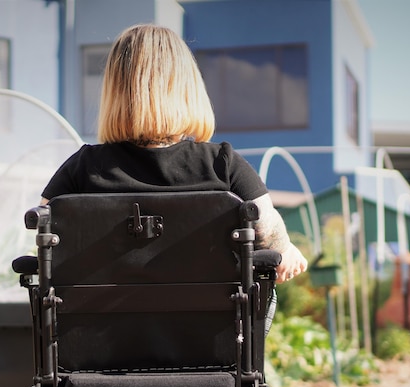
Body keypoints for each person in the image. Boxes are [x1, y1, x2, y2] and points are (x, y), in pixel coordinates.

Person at [41, 23, 307, 283]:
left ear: (115, 92)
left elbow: (45, 231)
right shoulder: (222, 165)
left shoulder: (83, 167)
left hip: (99, 325)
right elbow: (267, 232)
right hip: (206, 324)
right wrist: (287, 251)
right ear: (187, 88)